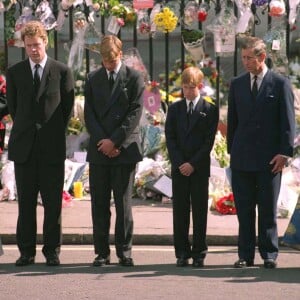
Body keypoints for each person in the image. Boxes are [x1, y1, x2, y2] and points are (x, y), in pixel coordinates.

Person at [6, 21, 75, 266]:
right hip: (25, 148)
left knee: (52, 204)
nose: (34, 50)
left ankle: (52, 251)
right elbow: (14, 108)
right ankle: (26, 251)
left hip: (51, 148)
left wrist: (50, 132)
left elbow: (67, 110)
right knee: (25, 204)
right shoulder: (15, 73)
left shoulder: (62, 71)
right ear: (24, 46)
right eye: (29, 46)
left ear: (45, 42)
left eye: (37, 44)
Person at [227, 36, 295, 269]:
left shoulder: (279, 83)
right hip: (242, 158)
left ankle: (269, 254)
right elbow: (232, 123)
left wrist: (284, 153)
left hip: (270, 159)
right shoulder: (236, 84)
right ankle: (245, 254)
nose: (245, 62)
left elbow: (288, 122)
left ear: (262, 57)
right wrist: (231, 154)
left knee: (267, 209)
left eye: (249, 58)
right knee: (244, 211)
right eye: (243, 58)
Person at [84, 35, 144, 267]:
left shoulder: (134, 77)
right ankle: (101, 252)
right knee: (99, 204)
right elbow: (89, 114)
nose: (108, 64)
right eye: (105, 61)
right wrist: (104, 142)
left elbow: (135, 113)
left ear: (120, 54)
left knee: (123, 204)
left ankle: (124, 251)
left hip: (124, 148)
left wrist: (116, 142)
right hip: (100, 149)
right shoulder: (93, 78)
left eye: (112, 60)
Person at [165, 67, 219, 267]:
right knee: (180, 210)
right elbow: (170, 138)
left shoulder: (209, 109)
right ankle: (181, 251)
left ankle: (199, 252)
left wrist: (193, 163)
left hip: (198, 167)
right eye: (184, 88)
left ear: (200, 86)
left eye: (191, 88)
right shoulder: (175, 108)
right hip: (180, 167)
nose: (187, 92)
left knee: (199, 210)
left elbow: (208, 142)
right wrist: (180, 163)